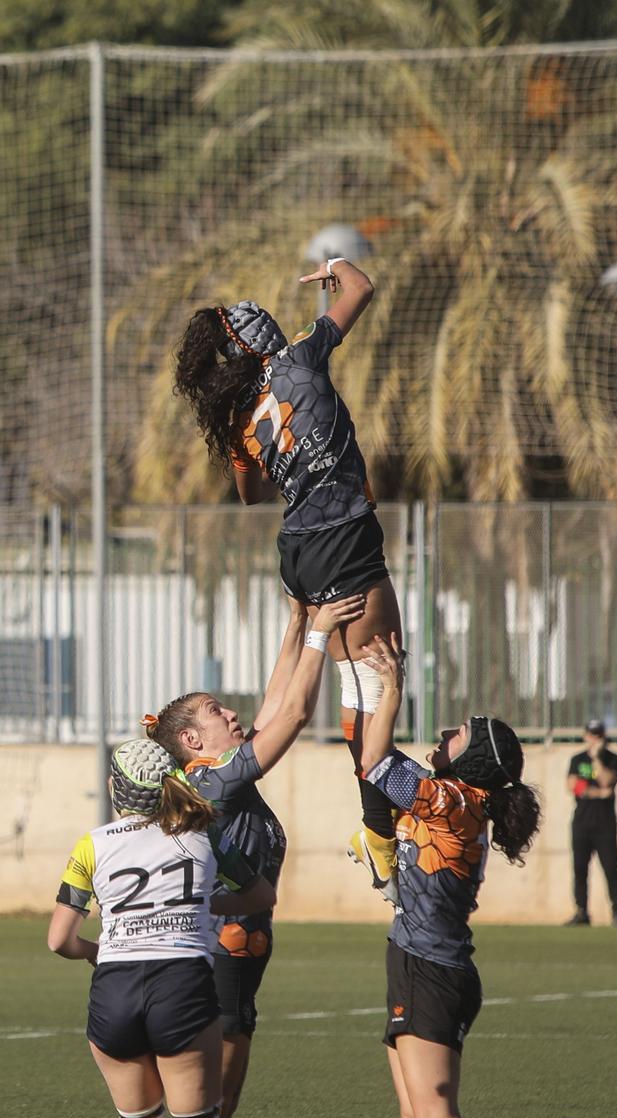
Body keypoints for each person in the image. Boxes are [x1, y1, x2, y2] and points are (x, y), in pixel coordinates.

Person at [171, 257, 408, 903]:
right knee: (378, 680)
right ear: (271, 337)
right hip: (343, 536)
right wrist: (333, 268)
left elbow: (251, 494)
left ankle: (377, 827)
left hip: (299, 550)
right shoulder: (302, 355)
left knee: (358, 683)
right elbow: (363, 284)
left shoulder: (244, 413)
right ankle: (379, 833)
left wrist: (244, 433)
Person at [46, 737, 275, 1118]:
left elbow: (58, 940)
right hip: (183, 986)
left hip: (114, 992)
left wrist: (95, 950)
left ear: (116, 789)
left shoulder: (91, 844)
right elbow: (260, 894)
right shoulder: (205, 835)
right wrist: (200, 906)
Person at [354, 637, 545, 1118]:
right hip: (422, 967)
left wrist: (391, 686)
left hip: (431, 974)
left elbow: (374, 759)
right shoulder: (452, 800)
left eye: (457, 732)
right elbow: (370, 765)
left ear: (475, 757)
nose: (444, 733)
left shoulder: (449, 800)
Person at [141, 593, 365, 1118]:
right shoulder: (213, 779)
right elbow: (291, 714)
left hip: (234, 954)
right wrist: (322, 634)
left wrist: (296, 622)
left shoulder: (219, 774)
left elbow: (272, 706)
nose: (232, 713)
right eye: (217, 711)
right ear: (192, 740)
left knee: (209, 1115)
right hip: (221, 954)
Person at [566, 719, 617, 926]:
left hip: (605, 824)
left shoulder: (613, 759)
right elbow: (574, 786)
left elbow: (608, 780)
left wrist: (597, 759)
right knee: (580, 868)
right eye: (592, 735)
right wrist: (599, 793)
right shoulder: (577, 759)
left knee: (610, 868)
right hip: (582, 822)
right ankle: (581, 911)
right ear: (586, 736)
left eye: (598, 735)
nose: (595, 739)